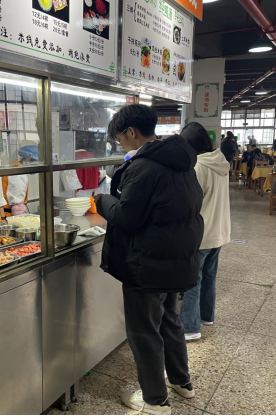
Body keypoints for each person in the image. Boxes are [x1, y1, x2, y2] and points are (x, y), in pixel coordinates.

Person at [95, 105, 203, 416]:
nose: (121, 145)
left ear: (131, 132)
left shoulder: (144, 167)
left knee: (144, 331)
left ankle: (155, 401)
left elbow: (127, 216)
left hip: (148, 263)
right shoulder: (180, 160)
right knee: (170, 321)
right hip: (175, 259)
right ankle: (182, 382)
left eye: (120, 139)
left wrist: (102, 201)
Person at [180, 123, 231, 342]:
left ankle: (190, 328)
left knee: (192, 280)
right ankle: (207, 316)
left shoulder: (198, 167)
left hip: (201, 233)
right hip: (219, 230)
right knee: (209, 277)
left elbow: (190, 202)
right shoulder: (221, 161)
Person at [2, 145, 39, 217]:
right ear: (28, 159)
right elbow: (17, 206)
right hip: (9, 216)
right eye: (36, 163)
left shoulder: (14, 166)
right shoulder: (19, 175)